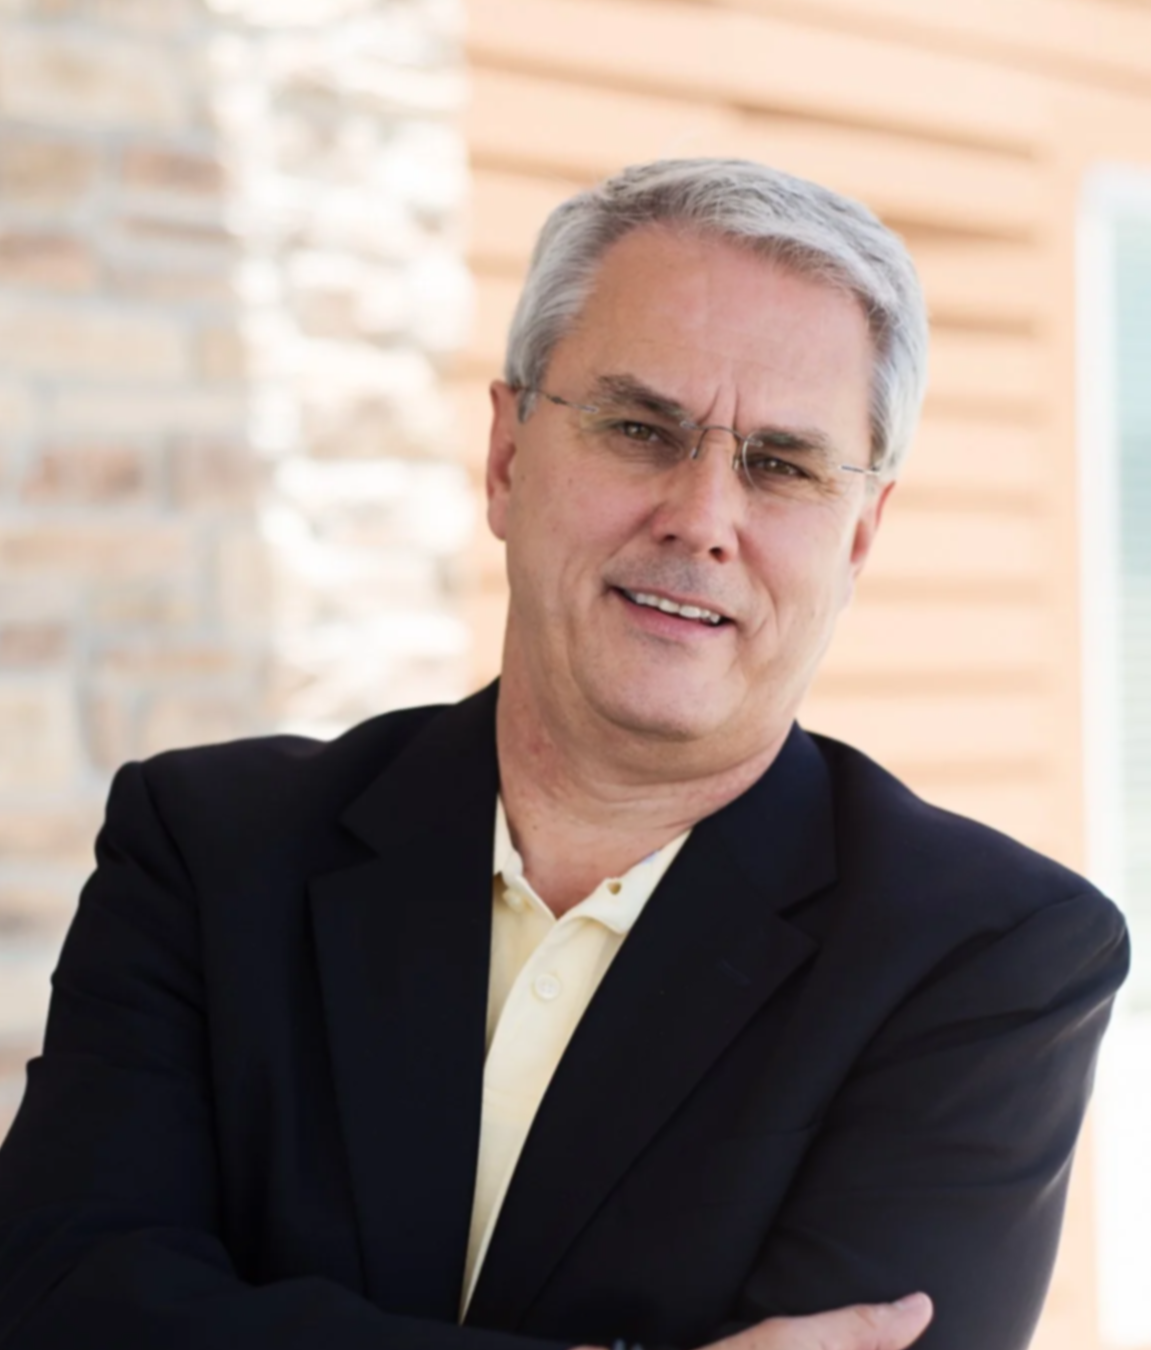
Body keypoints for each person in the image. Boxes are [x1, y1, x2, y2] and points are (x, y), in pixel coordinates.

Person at [0, 159, 1128, 1350]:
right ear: (505, 458)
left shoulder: (986, 956)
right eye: (640, 428)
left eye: (781, 464)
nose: (700, 517)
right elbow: (56, 1307)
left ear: (858, 534)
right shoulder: (206, 850)